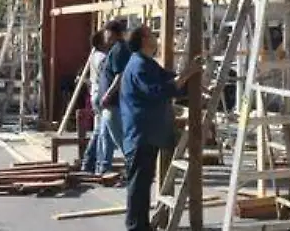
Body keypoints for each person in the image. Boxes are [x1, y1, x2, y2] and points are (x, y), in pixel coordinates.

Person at [119, 25, 203, 231]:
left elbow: (168, 77)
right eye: (151, 35)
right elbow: (159, 90)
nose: (156, 38)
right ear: (144, 40)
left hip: (147, 134)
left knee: (143, 183)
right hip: (141, 135)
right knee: (139, 185)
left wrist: (193, 81)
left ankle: (141, 225)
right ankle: (136, 227)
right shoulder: (139, 65)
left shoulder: (147, 64)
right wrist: (188, 74)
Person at [97, 19, 131, 176]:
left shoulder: (119, 50)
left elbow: (120, 75)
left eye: (107, 32)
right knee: (104, 136)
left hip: (114, 103)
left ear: (114, 34)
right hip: (109, 103)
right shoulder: (115, 49)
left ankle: (132, 165)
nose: (105, 35)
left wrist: (107, 94)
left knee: (119, 137)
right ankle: (103, 167)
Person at [80, 30, 109, 174]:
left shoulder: (94, 56)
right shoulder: (103, 57)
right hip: (101, 94)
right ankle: (95, 162)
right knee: (102, 131)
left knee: (99, 130)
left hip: (95, 93)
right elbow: (106, 76)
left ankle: (89, 162)